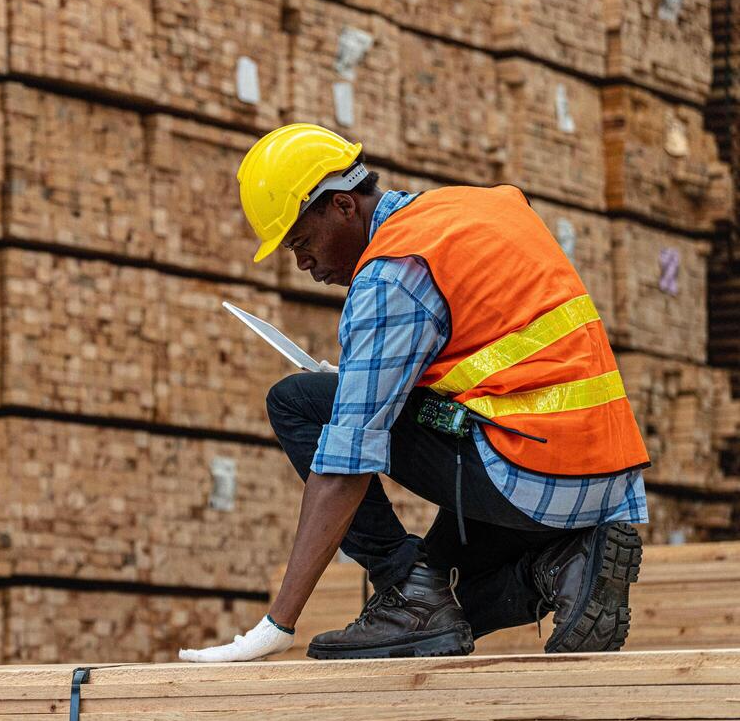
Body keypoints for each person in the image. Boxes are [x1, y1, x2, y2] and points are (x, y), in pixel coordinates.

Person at [179, 123, 647, 663]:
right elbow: (499, 350)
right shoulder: (483, 208)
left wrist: (277, 622)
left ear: (343, 207)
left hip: (527, 468)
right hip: (602, 476)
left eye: (302, 243)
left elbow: (346, 461)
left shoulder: (392, 274)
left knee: (299, 402)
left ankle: (404, 585)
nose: (303, 265)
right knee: (438, 616)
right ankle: (561, 566)